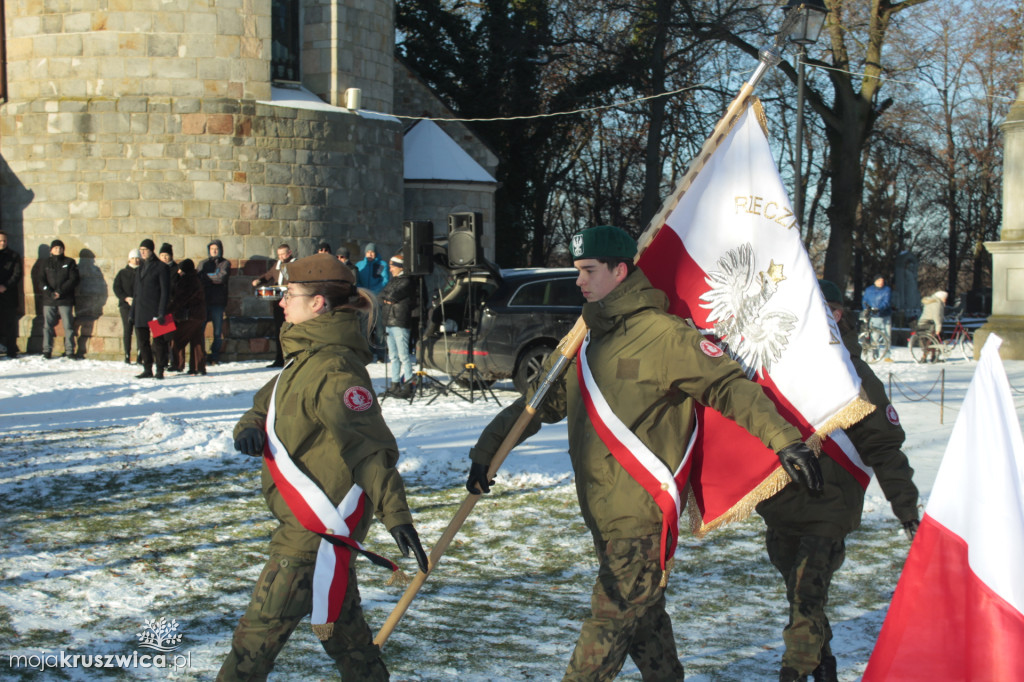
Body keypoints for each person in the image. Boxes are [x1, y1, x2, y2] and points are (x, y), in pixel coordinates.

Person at [465, 225, 824, 681]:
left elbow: (729, 387)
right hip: (602, 512)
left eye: (589, 270)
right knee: (644, 623)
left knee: (607, 626)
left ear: (620, 271)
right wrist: (488, 451)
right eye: (577, 270)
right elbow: (539, 404)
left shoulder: (665, 337)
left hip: (640, 516)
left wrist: (784, 439)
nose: (579, 281)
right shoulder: (586, 339)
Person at [218, 253, 429, 681]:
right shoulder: (305, 357)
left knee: (253, 644)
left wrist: (397, 517)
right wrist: (250, 429)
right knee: (346, 640)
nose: (281, 302)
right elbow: (266, 403)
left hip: (313, 531)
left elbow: (370, 450)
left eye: (289, 295)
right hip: (313, 529)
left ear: (318, 304)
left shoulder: (335, 369)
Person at [757, 280, 920, 682]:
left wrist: (907, 511)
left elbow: (884, 448)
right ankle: (824, 667)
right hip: (780, 507)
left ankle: (792, 673)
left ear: (837, 314)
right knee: (802, 602)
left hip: (829, 508)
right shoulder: (777, 367)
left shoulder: (855, 376)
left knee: (806, 600)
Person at [251, 243, 295, 368]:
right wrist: (259, 280)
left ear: (289, 253)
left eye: (283, 254)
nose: (281, 257)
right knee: (279, 330)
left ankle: (291, 358)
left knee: (290, 330)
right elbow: (268, 275)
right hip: (278, 302)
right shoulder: (277, 264)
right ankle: (279, 358)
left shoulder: (295, 264)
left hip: (291, 302)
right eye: (279, 255)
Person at [132, 239, 170, 379]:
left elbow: (165, 291)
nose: (142, 252)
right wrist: (132, 313)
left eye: (145, 249)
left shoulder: (161, 267)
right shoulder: (140, 268)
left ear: (151, 250)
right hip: (141, 311)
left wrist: (161, 312)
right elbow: (136, 292)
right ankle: (147, 368)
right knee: (142, 342)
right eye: (140, 249)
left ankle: (160, 369)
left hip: (155, 310)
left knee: (159, 342)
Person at [380, 253, 415, 397]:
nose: (390, 269)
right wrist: (387, 299)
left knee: (403, 356)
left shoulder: (406, 280)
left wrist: (388, 298)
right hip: (389, 322)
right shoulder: (393, 281)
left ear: (399, 267)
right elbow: (382, 295)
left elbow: (392, 295)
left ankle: (408, 384)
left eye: (392, 266)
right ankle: (395, 384)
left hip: (400, 322)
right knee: (393, 356)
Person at [40, 239, 80, 359]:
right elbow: (41, 280)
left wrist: (60, 291)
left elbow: (73, 279)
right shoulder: (45, 263)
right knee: (47, 325)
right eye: (56, 248)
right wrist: (49, 291)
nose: (58, 250)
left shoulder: (70, 262)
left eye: (60, 248)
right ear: (51, 250)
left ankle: (69, 351)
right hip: (49, 299)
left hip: (65, 298)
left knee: (68, 325)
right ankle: (47, 350)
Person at [167, 259, 207, 376]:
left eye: (180, 269)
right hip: (199, 315)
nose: (178, 271)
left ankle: (177, 364)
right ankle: (198, 367)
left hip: (190, 316)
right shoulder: (195, 279)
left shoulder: (187, 281)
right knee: (197, 341)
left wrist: (167, 311)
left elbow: (180, 299)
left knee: (177, 338)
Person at [199, 239, 230, 364]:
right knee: (200, 330)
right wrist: (212, 277)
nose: (214, 251)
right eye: (212, 249)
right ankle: (202, 354)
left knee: (217, 331)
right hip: (204, 301)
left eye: (216, 249)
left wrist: (207, 277)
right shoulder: (203, 263)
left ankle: (214, 354)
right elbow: (199, 277)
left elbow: (221, 277)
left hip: (218, 301)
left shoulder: (225, 263)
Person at [113, 249, 141, 364]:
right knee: (127, 329)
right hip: (126, 305)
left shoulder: (142, 271)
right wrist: (125, 298)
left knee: (139, 329)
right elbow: (117, 287)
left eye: (137, 258)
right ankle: (127, 354)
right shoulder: (122, 273)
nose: (135, 260)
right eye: (133, 258)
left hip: (139, 305)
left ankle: (140, 354)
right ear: (129, 259)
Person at [0, 231, 23, 359]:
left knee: (10, 324)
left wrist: (5, 286)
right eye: (0, 241)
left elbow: (17, 274)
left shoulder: (13, 255)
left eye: (4, 241)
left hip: (9, 295)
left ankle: (11, 350)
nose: (3, 243)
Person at [861, 275, 892, 362]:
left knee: (887, 335)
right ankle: (875, 355)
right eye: (879, 280)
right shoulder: (869, 290)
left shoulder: (886, 290)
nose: (881, 282)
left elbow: (886, 302)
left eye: (882, 280)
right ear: (875, 281)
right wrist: (866, 309)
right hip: (873, 316)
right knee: (874, 336)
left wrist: (878, 308)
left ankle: (887, 355)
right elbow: (864, 301)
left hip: (884, 315)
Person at [916, 290, 948, 363]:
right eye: (945, 297)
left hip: (924, 323)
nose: (946, 299)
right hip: (928, 323)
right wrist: (938, 328)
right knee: (935, 336)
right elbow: (937, 317)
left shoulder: (935, 301)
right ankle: (926, 356)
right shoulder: (937, 303)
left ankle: (933, 356)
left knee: (934, 339)